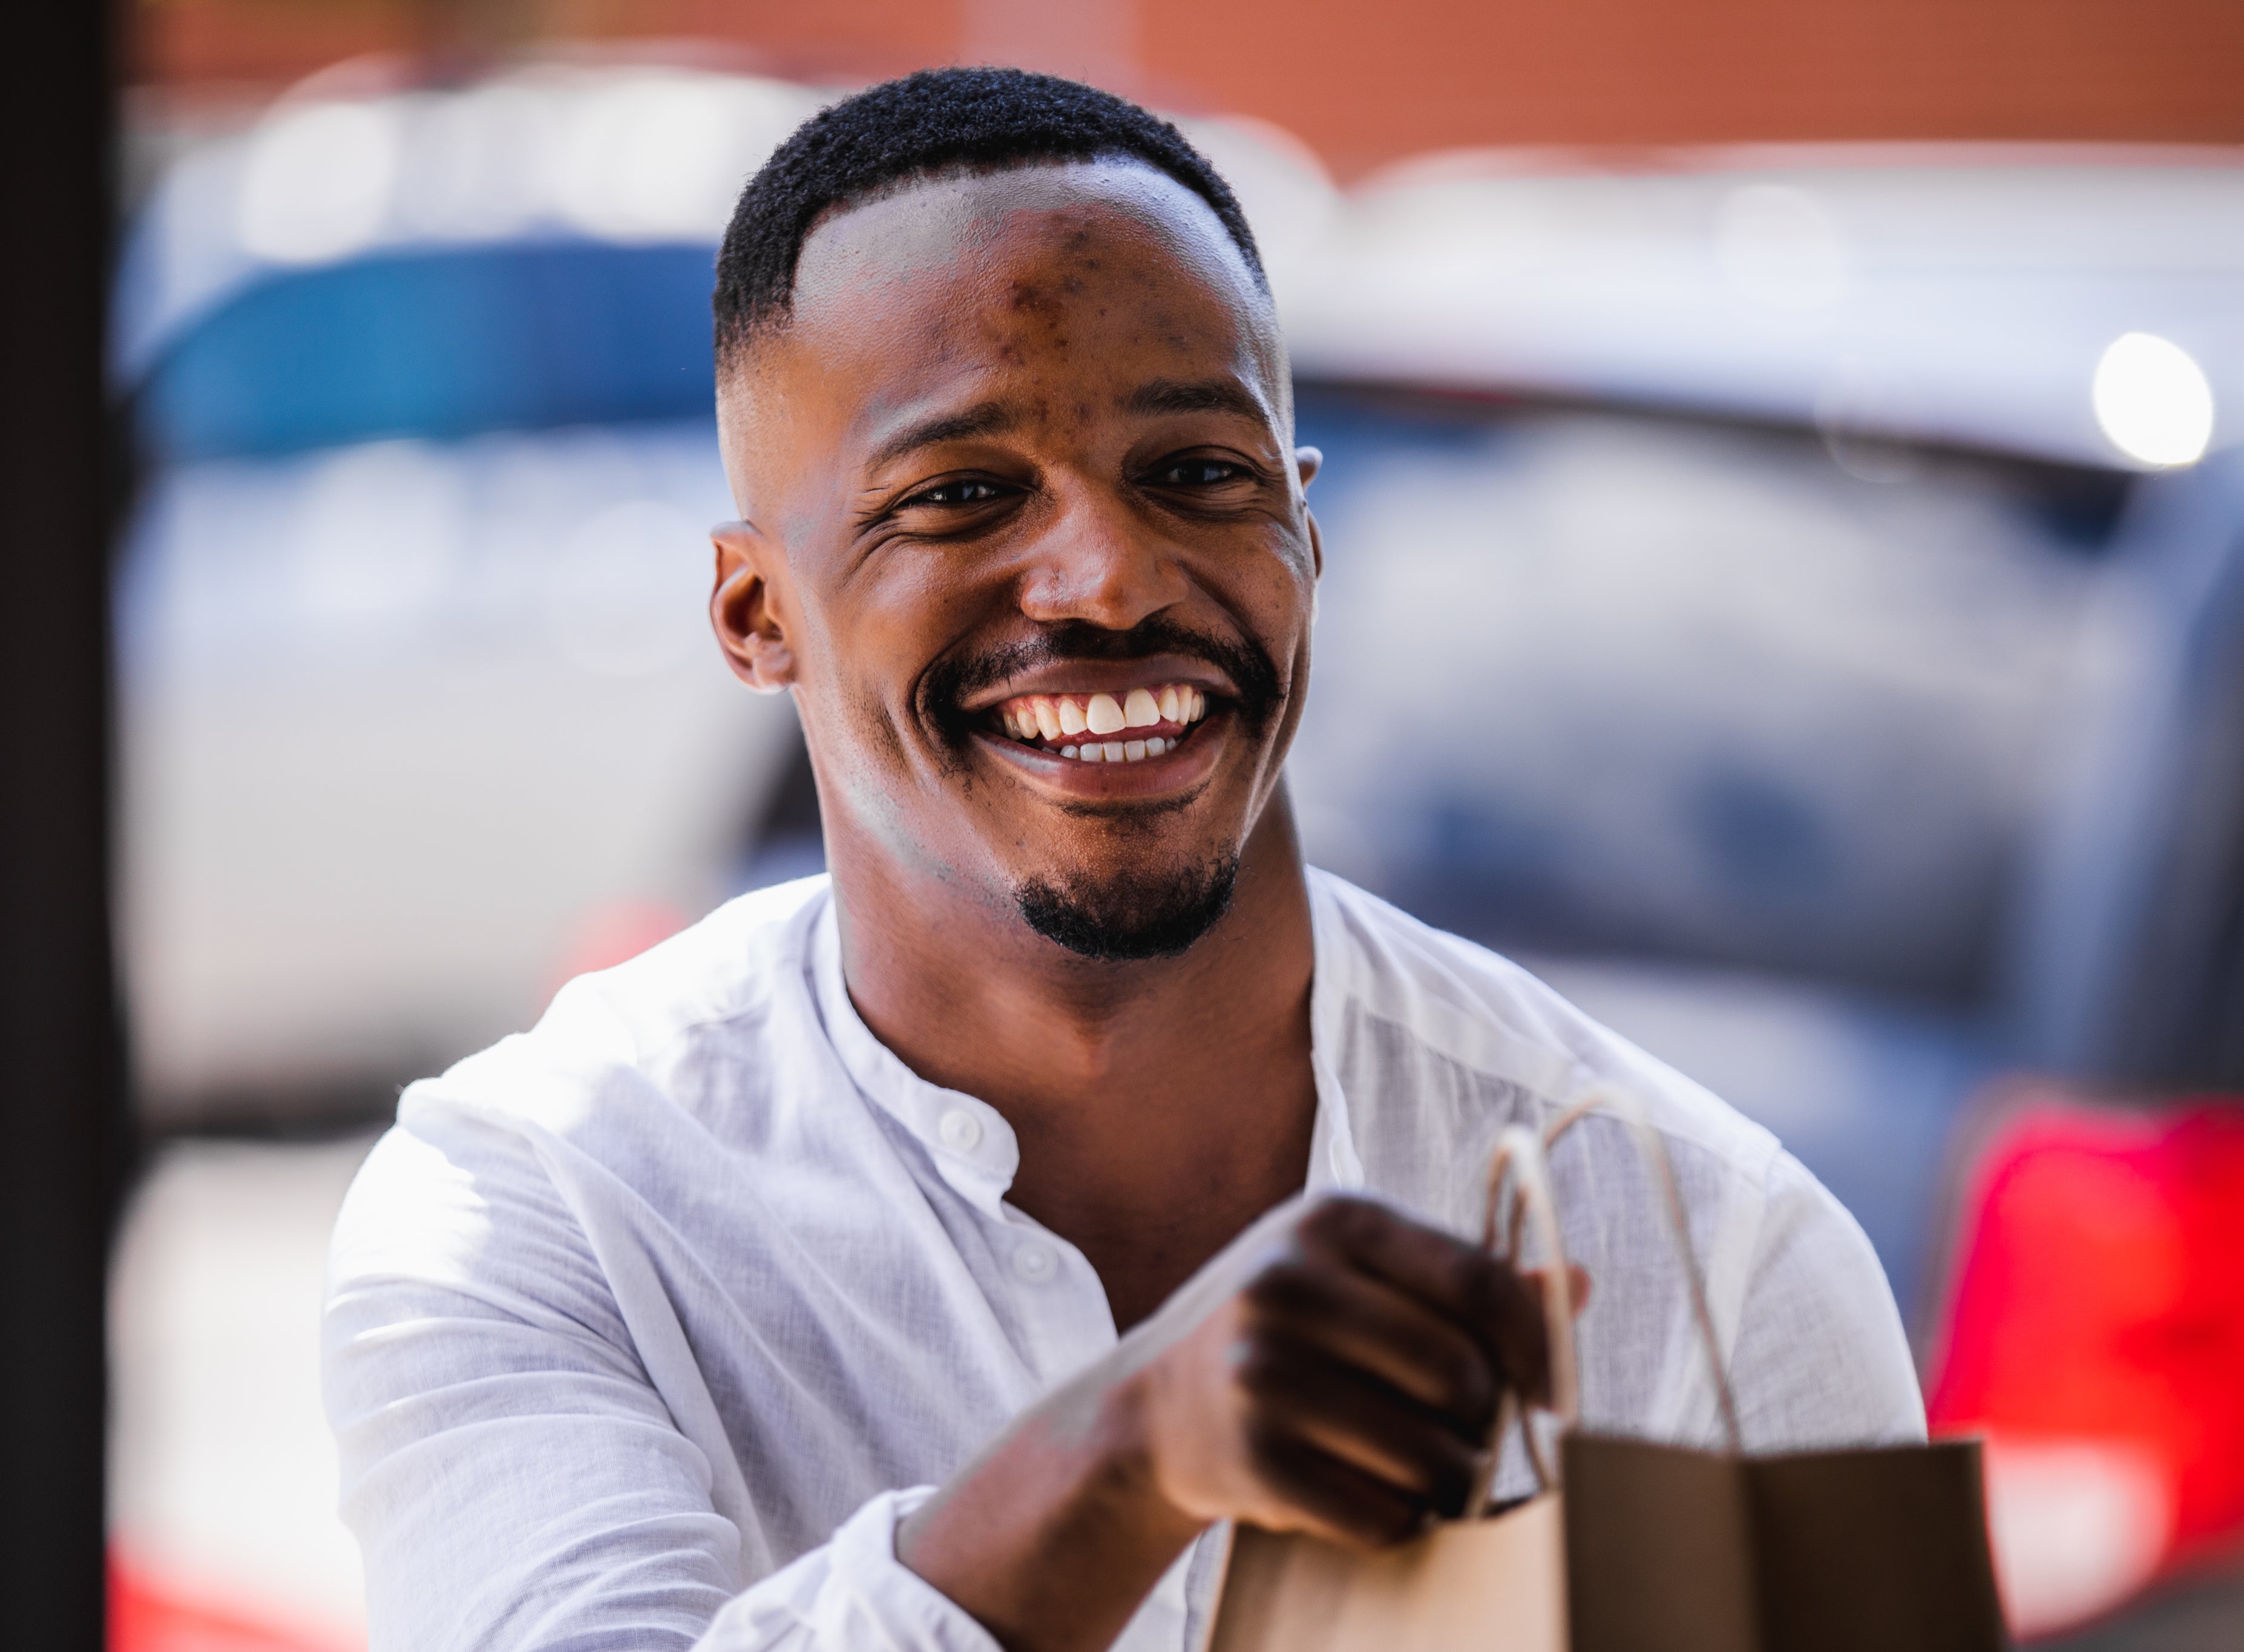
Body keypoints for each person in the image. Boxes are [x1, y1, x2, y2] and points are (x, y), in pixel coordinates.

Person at [323, 66, 1922, 1652]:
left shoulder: (1708, 1246)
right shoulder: (546, 1209)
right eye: (959, 494)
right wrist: (1119, 1460)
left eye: (1196, 475)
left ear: (1306, 531)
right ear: (758, 612)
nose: (1106, 576)